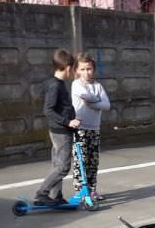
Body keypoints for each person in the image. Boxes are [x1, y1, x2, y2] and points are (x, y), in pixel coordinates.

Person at [34, 49, 81, 206]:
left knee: (57, 164)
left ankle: (56, 196)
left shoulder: (54, 83)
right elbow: (48, 110)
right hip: (61, 131)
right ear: (68, 68)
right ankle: (42, 194)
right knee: (63, 167)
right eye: (73, 69)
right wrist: (68, 122)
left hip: (58, 130)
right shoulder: (55, 86)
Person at [71, 52, 111, 202]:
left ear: (93, 70)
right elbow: (85, 95)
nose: (86, 72)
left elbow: (107, 105)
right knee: (80, 161)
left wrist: (93, 103)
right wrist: (96, 100)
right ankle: (81, 191)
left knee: (93, 161)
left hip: (95, 129)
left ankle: (92, 190)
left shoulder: (98, 86)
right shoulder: (76, 84)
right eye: (82, 69)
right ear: (76, 71)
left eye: (89, 69)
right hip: (80, 129)